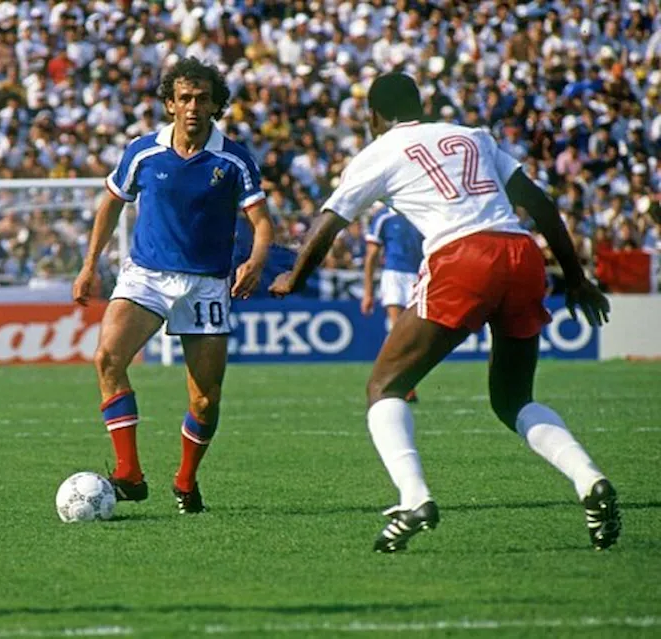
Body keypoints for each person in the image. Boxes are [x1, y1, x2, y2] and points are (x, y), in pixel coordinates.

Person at [270, 73, 619, 552]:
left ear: (373, 115)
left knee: (384, 386)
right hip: (521, 253)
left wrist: (294, 278)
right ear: (420, 106)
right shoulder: (473, 135)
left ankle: (414, 498)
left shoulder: (379, 151)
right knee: (513, 398)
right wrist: (576, 278)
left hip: (463, 256)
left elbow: (328, 224)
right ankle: (589, 479)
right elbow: (538, 203)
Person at [72, 57, 273, 514]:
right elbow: (111, 204)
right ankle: (129, 475)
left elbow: (262, 223)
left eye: (202, 99)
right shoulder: (143, 152)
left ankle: (185, 480)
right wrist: (89, 266)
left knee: (204, 401)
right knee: (107, 358)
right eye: (184, 98)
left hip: (205, 285)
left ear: (216, 105)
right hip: (146, 275)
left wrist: (256, 261)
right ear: (170, 104)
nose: (193, 107)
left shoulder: (233, 159)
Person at [361, 206, 424, 401]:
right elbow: (372, 255)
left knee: (415, 332)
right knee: (397, 329)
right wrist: (368, 292)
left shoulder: (420, 211)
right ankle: (400, 384)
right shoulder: (383, 217)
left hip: (419, 274)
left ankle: (402, 381)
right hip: (394, 275)